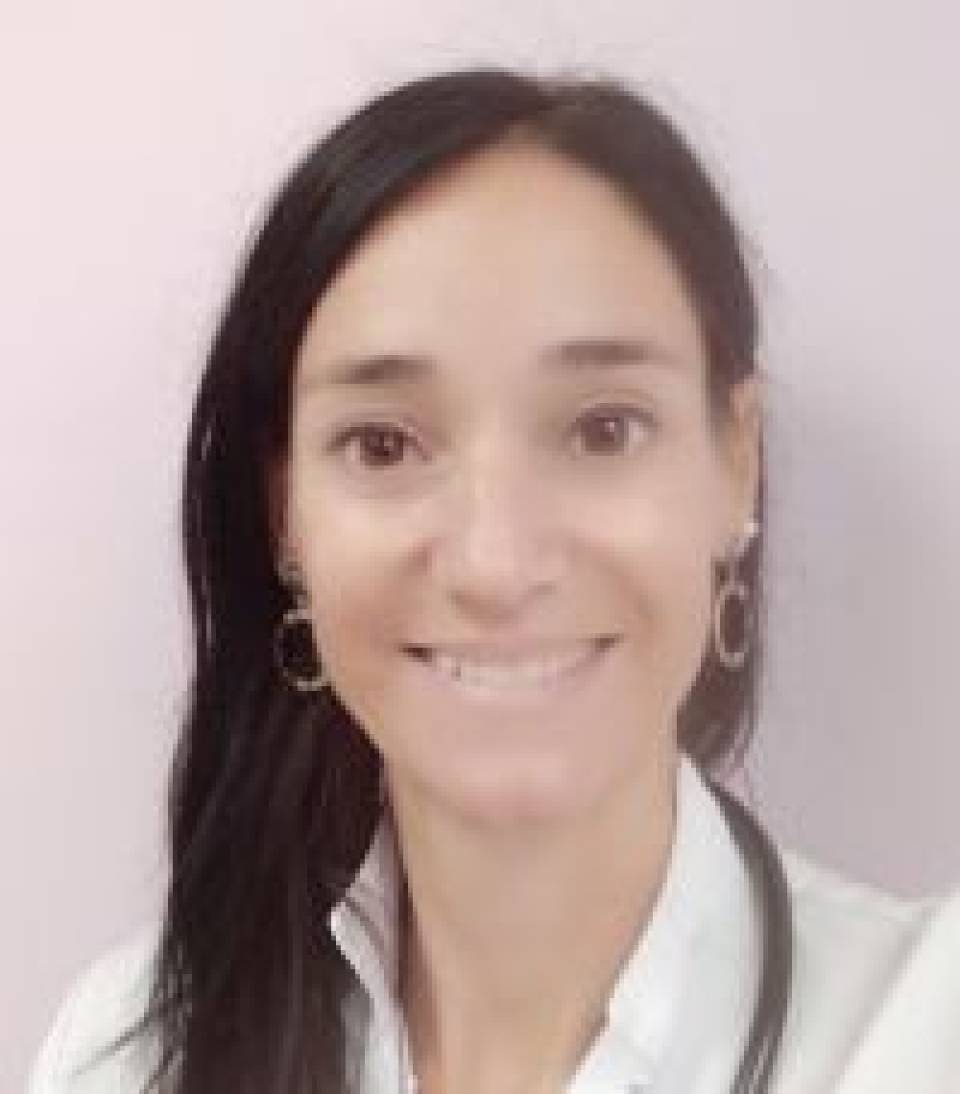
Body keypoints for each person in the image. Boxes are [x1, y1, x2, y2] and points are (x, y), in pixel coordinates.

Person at [27, 66, 959, 1094]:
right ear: (284, 512)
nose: (497, 564)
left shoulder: (929, 1028)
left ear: (736, 463)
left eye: (603, 429)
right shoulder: (126, 1055)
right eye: (383, 444)